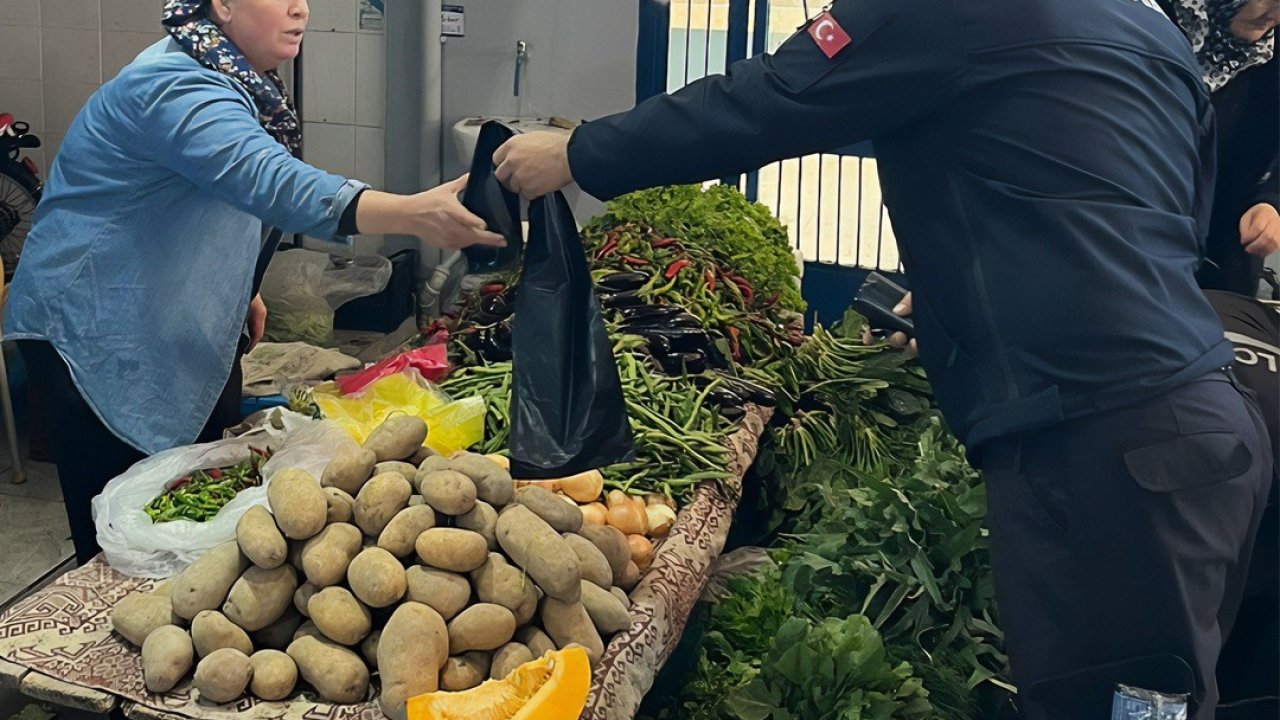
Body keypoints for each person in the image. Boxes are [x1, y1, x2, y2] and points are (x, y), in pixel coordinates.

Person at [493, 0, 1273, 717]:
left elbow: (766, 100)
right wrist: (959, 297)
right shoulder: (1146, 27)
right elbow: (1139, 215)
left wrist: (578, 152)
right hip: (1196, 428)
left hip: (1105, 453)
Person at [1, 0, 502, 565]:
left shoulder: (237, 78)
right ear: (222, 5)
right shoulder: (173, 85)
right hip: (93, 328)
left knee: (198, 500)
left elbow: (217, 191)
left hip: (171, 317)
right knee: (123, 534)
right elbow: (267, 180)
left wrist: (242, 285)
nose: (300, 9)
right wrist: (412, 213)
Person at [1158, 0, 1279, 296]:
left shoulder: (1271, 52)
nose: (1274, 16)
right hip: (1132, 227)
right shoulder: (1155, 20)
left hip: (1225, 243)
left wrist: (1271, 202)